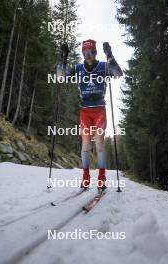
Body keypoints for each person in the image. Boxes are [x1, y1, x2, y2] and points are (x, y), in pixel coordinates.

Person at [57, 39, 123, 190]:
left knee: (99, 144)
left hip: (99, 109)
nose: (88, 55)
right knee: (86, 145)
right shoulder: (78, 68)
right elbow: (60, 77)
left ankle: (101, 179)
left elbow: (118, 73)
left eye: (91, 52)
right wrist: (63, 58)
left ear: (95, 52)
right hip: (85, 111)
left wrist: (110, 55)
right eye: (85, 53)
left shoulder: (102, 66)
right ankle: (85, 178)